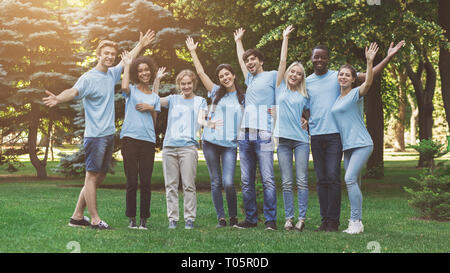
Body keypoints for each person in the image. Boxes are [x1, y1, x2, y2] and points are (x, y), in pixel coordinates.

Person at [43, 29, 156, 230]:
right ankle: (94, 219)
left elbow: (127, 59)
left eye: (113, 54)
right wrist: (58, 98)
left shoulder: (112, 74)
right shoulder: (88, 78)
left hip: (108, 134)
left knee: (98, 176)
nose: (110, 57)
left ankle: (77, 216)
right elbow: (73, 91)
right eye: (106, 53)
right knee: (92, 176)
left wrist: (141, 45)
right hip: (95, 136)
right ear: (98, 55)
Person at [306, 40, 405, 232]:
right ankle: (330, 220)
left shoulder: (349, 87)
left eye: (323, 57)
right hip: (334, 141)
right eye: (316, 56)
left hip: (345, 140)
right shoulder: (316, 84)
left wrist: (385, 57)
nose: (319, 59)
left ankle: (345, 222)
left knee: (343, 179)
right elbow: (304, 103)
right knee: (328, 180)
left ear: (328, 59)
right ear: (311, 58)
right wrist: (306, 119)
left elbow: (370, 78)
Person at [186, 37, 245, 228]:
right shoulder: (215, 91)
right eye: (221, 76)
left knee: (228, 182)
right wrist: (193, 51)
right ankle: (221, 217)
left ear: (233, 75)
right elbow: (201, 72)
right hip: (210, 142)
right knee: (215, 181)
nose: (224, 78)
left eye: (227, 74)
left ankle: (234, 218)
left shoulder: (243, 97)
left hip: (230, 145)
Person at [331, 43, 378, 234]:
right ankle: (357, 222)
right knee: (354, 183)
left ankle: (355, 221)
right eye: (341, 74)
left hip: (362, 143)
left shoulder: (355, 94)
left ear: (352, 80)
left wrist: (369, 62)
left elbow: (368, 83)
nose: (343, 77)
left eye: (347, 75)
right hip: (348, 146)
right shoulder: (338, 99)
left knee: (349, 178)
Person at [233, 28, 278, 230]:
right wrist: (238, 41)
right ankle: (250, 219)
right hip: (245, 135)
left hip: (264, 134)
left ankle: (270, 220)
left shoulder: (272, 76)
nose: (249, 63)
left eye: (253, 59)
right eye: (247, 60)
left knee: (268, 178)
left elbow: (286, 94)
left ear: (260, 61)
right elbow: (241, 60)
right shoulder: (249, 79)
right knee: (246, 180)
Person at [120, 50, 167, 230]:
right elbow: (124, 87)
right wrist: (126, 63)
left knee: (146, 182)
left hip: (147, 141)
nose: (144, 73)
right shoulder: (130, 90)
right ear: (136, 74)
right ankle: (131, 218)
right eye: (140, 71)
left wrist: (150, 107)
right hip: (130, 139)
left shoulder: (155, 97)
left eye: (146, 69)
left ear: (151, 71)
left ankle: (143, 219)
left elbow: (154, 119)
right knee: (132, 180)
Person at [157, 69, 208, 230]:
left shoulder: (201, 101)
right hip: (169, 147)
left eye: (189, 83)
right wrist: (157, 80)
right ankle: (172, 218)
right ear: (179, 85)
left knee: (188, 184)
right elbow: (154, 101)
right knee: (170, 185)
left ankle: (189, 219)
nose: (186, 86)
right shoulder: (172, 99)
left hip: (188, 147)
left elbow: (202, 120)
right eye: (183, 84)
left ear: (193, 84)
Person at [271, 25, 310, 231]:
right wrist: (285, 38)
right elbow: (282, 61)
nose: (294, 75)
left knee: (302, 181)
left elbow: (313, 114)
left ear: (302, 78)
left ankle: (302, 219)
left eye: (299, 73)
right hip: (283, 141)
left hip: (302, 141)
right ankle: (289, 218)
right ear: (288, 73)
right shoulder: (279, 87)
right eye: (292, 72)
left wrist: (307, 121)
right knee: (286, 182)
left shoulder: (304, 94)